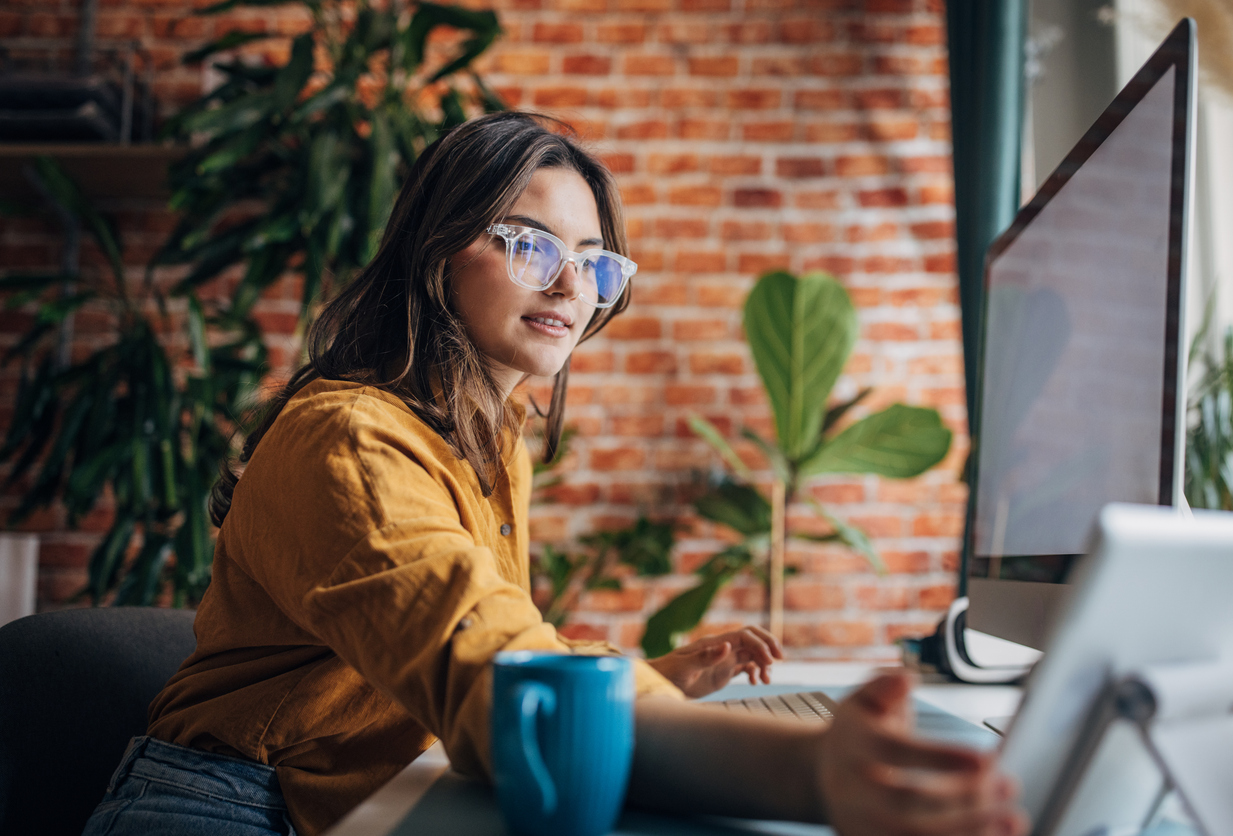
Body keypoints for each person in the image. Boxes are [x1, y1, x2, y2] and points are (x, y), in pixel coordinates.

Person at [82, 112, 1027, 836]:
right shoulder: (348, 442)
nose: (571, 286)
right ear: (436, 249)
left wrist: (637, 680)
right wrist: (811, 773)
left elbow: (489, 643)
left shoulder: (490, 438)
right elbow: (497, 682)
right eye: (528, 243)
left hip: (357, 793)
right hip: (230, 808)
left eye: (592, 262)